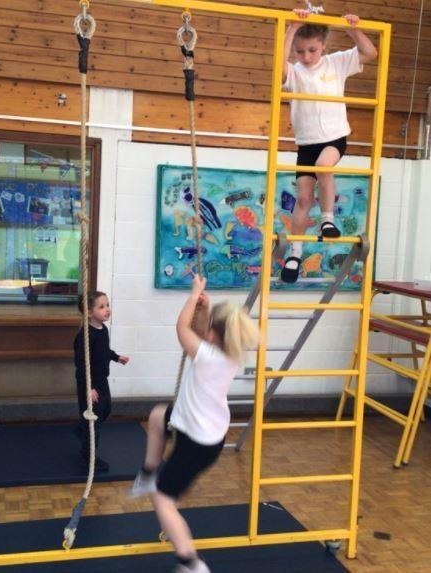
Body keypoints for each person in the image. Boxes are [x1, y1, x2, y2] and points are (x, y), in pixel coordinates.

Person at [130, 275, 259, 573]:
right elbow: (199, 332)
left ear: (213, 335)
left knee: (164, 500)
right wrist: (205, 307)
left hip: (195, 442)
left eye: (209, 325)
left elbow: (182, 329)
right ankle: (148, 472)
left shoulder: (207, 357)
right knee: (158, 416)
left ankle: (190, 561)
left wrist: (193, 296)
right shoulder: (225, 355)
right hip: (201, 428)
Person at [280, 9, 377, 283]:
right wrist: (292, 28)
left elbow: (370, 53)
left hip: (334, 137)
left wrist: (354, 30)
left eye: (312, 50)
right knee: (302, 199)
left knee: (324, 166)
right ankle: (295, 254)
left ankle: (327, 219)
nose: (306, 56)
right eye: (300, 51)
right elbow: (279, 67)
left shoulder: (336, 62)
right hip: (306, 142)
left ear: (323, 45)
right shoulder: (295, 72)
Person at [74, 291, 129, 472]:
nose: (107, 309)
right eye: (102, 306)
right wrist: (88, 388)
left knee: (106, 410)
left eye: (107, 305)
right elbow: (82, 365)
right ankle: (88, 459)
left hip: (101, 380)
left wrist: (116, 357)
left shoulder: (102, 329)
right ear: (89, 312)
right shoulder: (85, 336)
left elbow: (104, 351)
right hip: (89, 384)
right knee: (93, 422)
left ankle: (82, 428)